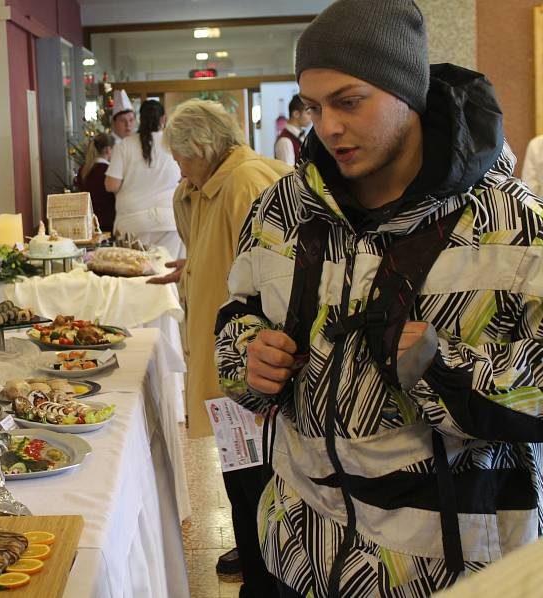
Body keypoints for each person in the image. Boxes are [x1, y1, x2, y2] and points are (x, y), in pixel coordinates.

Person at [215, 1, 543, 597]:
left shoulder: (511, 223)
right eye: (313, 106)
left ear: (408, 91)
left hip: (449, 570)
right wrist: (246, 355)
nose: (327, 127)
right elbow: (238, 312)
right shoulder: (283, 210)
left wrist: (442, 370)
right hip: (297, 551)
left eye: (348, 100)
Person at [151, 99, 291, 597]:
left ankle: (266, 574)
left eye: (182, 157)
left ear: (204, 148)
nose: (178, 167)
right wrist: (190, 267)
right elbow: (221, 254)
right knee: (241, 472)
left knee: (256, 475)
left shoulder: (246, 183)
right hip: (226, 360)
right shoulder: (203, 187)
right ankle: (253, 553)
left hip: (248, 365)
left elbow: (267, 277)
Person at [105, 99, 184, 259]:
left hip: (132, 222)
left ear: (140, 119)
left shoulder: (125, 145)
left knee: (137, 276)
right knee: (168, 273)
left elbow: (111, 185)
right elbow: (184, 177)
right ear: (163, 119)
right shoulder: (174, 144)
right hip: (169, 219)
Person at [75, 133, 116, 232]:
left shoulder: (83, 170)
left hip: (88, 223)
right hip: (109, 222)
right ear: (108, 150)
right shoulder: (109, 171)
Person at [273, 95, 311, 166]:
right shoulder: (285, 141)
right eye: (308, 113)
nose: (311, 117)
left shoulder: (300, 135)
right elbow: (289, 173)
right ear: (296, 114)